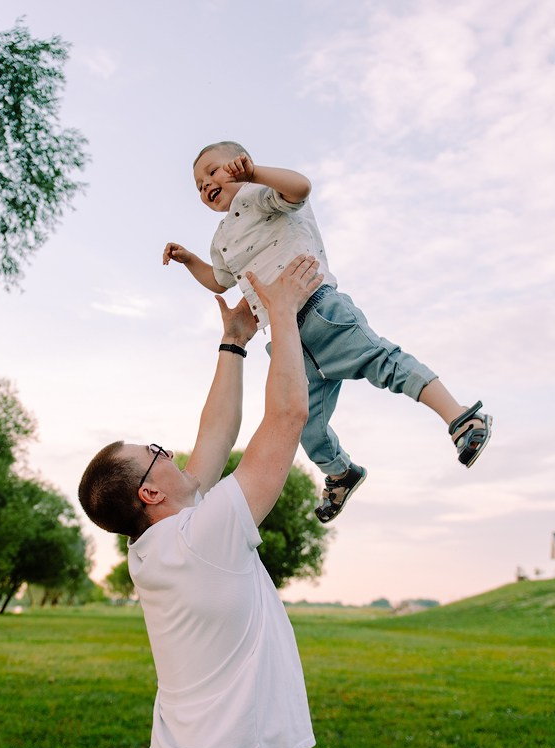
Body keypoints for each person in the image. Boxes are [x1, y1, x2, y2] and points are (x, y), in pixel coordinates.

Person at [79, 255, 322, 748]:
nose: (172, 451)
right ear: (150, 492)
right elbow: (286, 418)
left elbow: (216, 431)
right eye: (158, 452)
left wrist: (233, 343)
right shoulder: (202, 540)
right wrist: (281, 316)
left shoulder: (155, 545)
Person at [163, 141, 493, 522]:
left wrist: (254, 173)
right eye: (199, 186)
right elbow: (219, 281)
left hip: (321, 311)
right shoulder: (221, 237)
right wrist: (190, 261)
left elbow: (300, 188)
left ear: (239, 164)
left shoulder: (261, 194)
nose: (205, 186)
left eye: (212, 171)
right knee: (303, 422)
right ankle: (341, 472)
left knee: (386, 364)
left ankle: (463, 418)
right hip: (287, 343)